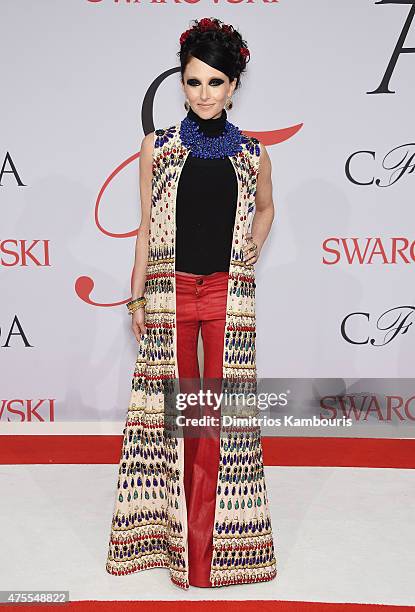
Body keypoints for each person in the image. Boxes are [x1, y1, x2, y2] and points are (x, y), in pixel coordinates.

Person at [106, 16, 277, 590]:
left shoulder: (253, 154)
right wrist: (135, 296)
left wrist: (247, 252)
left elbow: (266, 210)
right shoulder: (157, 149)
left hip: (228, 298)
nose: (204, 93)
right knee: (178, 419)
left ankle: (213, 551)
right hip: (171, 293)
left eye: (216, 82)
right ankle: (174, 546)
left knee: (221, 423)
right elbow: (144, 230)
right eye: (194, 81)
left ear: (234, 87)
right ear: (181, 84)